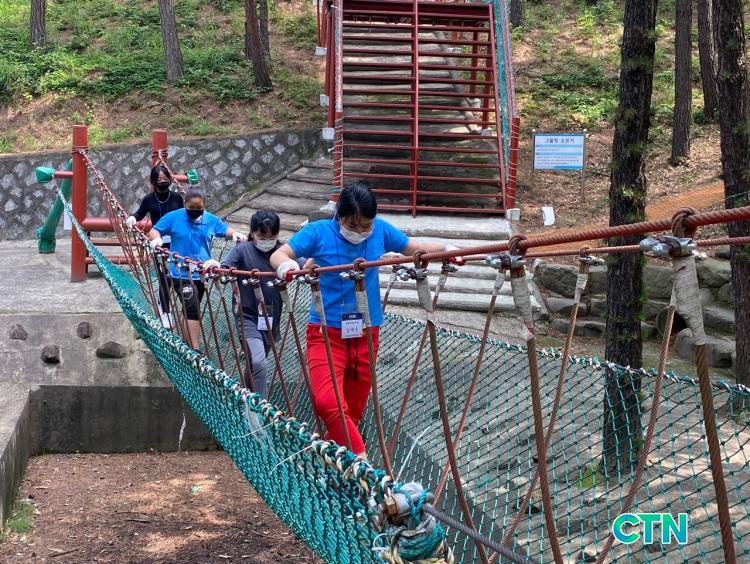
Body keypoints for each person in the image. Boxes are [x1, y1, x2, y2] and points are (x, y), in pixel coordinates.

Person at [271, 181, 460, 458]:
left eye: (366, 226)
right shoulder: (318, 232)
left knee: (353, 410)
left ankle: (331, 467)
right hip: (325, 332)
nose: (360, 231)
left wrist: (448, 249)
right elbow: (280, 254)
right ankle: (362, 463)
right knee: (328, 403)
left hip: (366, 333)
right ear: (339, 216)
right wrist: (289, 266)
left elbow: (415, 248)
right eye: (353, 225)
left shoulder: (380, 230)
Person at [148, 188, 246, 350]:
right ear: (185, 204)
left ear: (204, 206)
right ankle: (195, 350)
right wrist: (157, 240)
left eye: (198, 208)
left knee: (189, 309)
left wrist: (235, 234)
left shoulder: (210, 220)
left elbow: (224, 230)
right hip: (180, 272)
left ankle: (183, 345)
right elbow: (154, 230)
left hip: (201, 273)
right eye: (191, 208)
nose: (195, 211)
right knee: (192, 307)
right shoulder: (174, 217)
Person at [220, 211, 290, 397]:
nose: (267, 241)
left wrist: (306, 266)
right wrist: (218, 270)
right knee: (258, 362)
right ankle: (260, 408)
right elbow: (225, 267)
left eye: (272, 237)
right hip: (247, 316)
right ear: (252, 233)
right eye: (262, 236)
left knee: (255, 364)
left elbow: (299, 265)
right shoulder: (242, 250)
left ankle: (245, 400)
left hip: (270, 318)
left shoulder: (282, 251)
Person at [126, 165, 184, 328]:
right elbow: (140, 213)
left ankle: (176, 307)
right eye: (159, 179)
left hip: (176, 241)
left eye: (165, 179)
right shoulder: (149, 199)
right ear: (153, 181)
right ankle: (165, 311)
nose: (163, 182)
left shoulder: (177, 198)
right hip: (157, 242)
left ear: (170, 180)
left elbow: (183, 216)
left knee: (176, 276)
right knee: (164, 276)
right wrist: (132, 218)